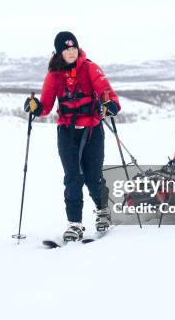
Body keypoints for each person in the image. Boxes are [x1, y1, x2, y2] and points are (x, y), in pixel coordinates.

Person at [23, 31, 121, 241]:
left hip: (92, 130)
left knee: (94, 177)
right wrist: (35, 107)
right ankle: (74, 224)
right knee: (72, 179)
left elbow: (108, 93)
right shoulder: (53, 74)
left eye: (73, 47)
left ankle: (103, 211)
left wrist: (110, 104)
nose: (71, 51)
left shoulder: (90, 67)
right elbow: (45, 106)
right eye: (66, 49)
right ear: (59, 52)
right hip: (67, 133)